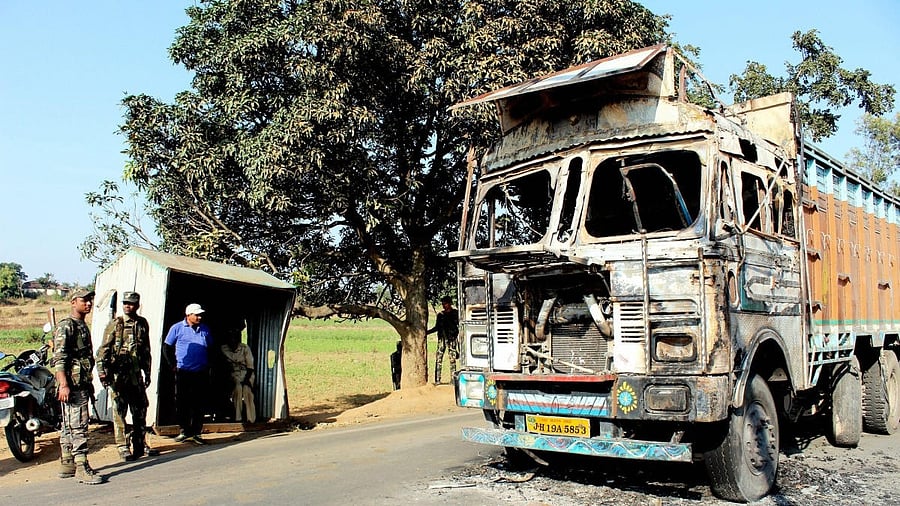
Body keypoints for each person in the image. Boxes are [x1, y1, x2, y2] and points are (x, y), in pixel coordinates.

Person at [95, 291, 158, 462]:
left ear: (137, 305)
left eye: (131, 303)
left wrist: (148, 371)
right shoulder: (116, 324)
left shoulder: (142, 323)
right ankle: (122, 446)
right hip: (119, 377)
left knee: (140, 411)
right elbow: (103, 351)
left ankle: (140, 444)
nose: (127, 306)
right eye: (125, 303)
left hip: (136, 376)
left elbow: (146, 349)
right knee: (119, 412)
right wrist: (102, 372)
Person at [50, 289, 103, 484]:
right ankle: (81, 466)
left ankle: (67, 462)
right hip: (72, 385)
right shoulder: (67, 326)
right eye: (84, 300)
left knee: (68, 425)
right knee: (78, 425)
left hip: (80, 383)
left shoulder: (81, 325)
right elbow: (59, 358)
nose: (88, 304)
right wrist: (63, 384)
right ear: (73, 302)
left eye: (90, 300)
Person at [164, 303, 212, 444]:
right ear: (188, 315)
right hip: (184, 371)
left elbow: (211, 348)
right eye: (196, 315)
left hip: (201, 372)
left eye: (200, 314)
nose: (199, 317)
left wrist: (209, 365)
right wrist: (172, 365)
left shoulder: (205, 329)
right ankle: (184, 431)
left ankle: (197, 433)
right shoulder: (177, 328)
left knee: (199, 403)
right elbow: (167, 347)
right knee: (182, 402)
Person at [220, 322, 256, 423]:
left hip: (245, 373)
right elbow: (223, 366)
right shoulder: (223, 349)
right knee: (237, 389)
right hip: (232, 373)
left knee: (247, 390)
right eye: (230, 336)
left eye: (235, 336)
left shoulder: (245, 348)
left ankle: (251, 418)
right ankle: (237, 417)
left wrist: (247, 380)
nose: (233, 339)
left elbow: (250, 366)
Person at [426, 296, 459, 384]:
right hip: (442, 340)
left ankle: (453, 380)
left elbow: (459, 327)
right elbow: (436, 327)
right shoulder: (440, 315)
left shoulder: (455, 313)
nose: (444, 305)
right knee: (438, 359)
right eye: (443, 303)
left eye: (446, 303)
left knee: (452, 360)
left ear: (450, 303)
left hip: (452, 339)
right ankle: (437, 380)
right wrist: (427, 332)